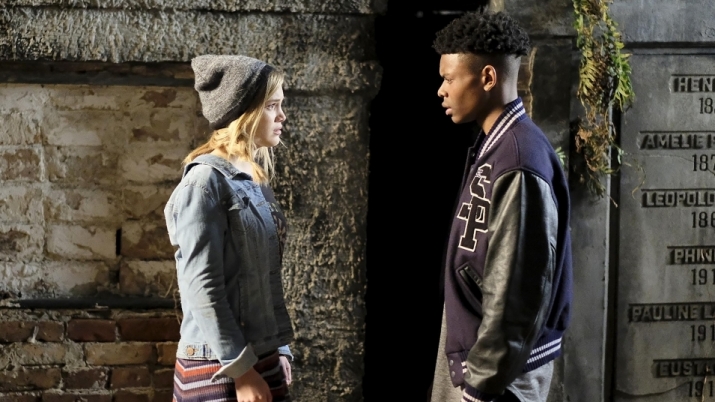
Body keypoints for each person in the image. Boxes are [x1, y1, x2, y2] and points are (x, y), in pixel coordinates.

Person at [429, 10, 573, 402]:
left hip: (500, 375)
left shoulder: (520, 159)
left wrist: (480, 386)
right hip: (478, 356)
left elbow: (517, 294)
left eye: (449, 78)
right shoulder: (498, 145)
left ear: (488, 78)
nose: (441, 90)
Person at [165, 54, 294, 402]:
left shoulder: (253, 178)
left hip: (260, 355)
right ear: (244, 112)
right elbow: (201, 288)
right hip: (218, 365)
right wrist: (241, 371)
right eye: (272, 106)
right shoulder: (204, 184)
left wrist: (278, 347)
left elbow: (264, 276)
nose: (282, 116)